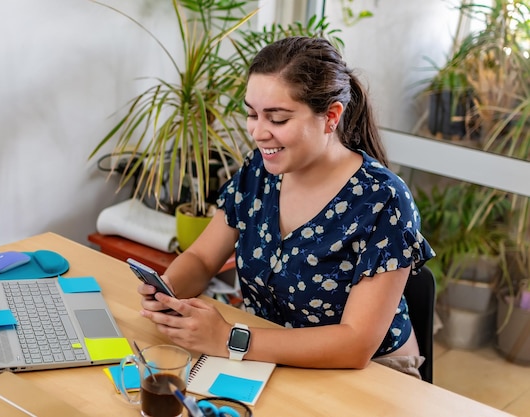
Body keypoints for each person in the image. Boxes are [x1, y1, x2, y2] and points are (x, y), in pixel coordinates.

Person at [138, 36, 435, 378]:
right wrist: (168, 289)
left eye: (277, 119)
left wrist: (228, 339)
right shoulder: (259, 171)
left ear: (331, 117)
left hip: (370, 372)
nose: (258, 132)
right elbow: (203, 258)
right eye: (252, 114)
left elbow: (355, 344)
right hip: (268, 352)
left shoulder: (384, 200)